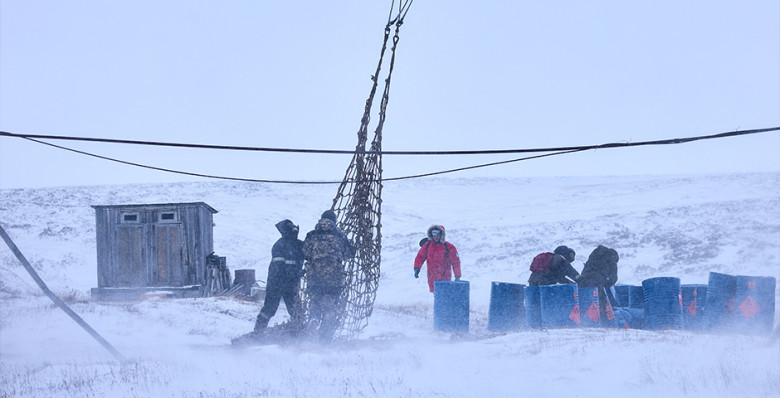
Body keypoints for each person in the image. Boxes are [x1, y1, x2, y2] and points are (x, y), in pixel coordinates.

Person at [302, 209, 355, 344]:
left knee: (315, 302)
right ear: (334, 221)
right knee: (330, 308)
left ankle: (313, 319)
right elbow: (349, 253)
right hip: (334, 279)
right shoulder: (339, 235)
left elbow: (305, 253)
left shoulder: (311, 235)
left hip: (314, 277)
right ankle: (324, 340)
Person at [253, 219, 305, 332]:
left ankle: (300, 332)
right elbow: (278, 269)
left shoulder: (298, 244)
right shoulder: (280, 245)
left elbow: (311, 251)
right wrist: (295, 274)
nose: (295, 230)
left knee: (296, 311)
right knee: (269, 309)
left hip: (289, 284)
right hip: (277, 283)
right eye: (292, 228)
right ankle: (258, 332)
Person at [577, 245, 620, 322]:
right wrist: (605, 283)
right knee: (600, 303)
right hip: (596, 284)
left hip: (582, 282)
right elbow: (613, 279)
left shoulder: (595, 255)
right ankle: (599, 322)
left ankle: (581, 321)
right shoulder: (612, 261)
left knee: (582, 302)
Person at [414, 225, 462, 293]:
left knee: (445, 294)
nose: (435, 236)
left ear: (442, 235)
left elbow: (456, 262)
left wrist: (457, 276)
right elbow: (420, 257)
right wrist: (417, 268)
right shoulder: (427, 246)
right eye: (434, 233)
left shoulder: (449, 247)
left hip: (445, 277)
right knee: (436, 294)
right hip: (432, 277)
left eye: (438, 234)